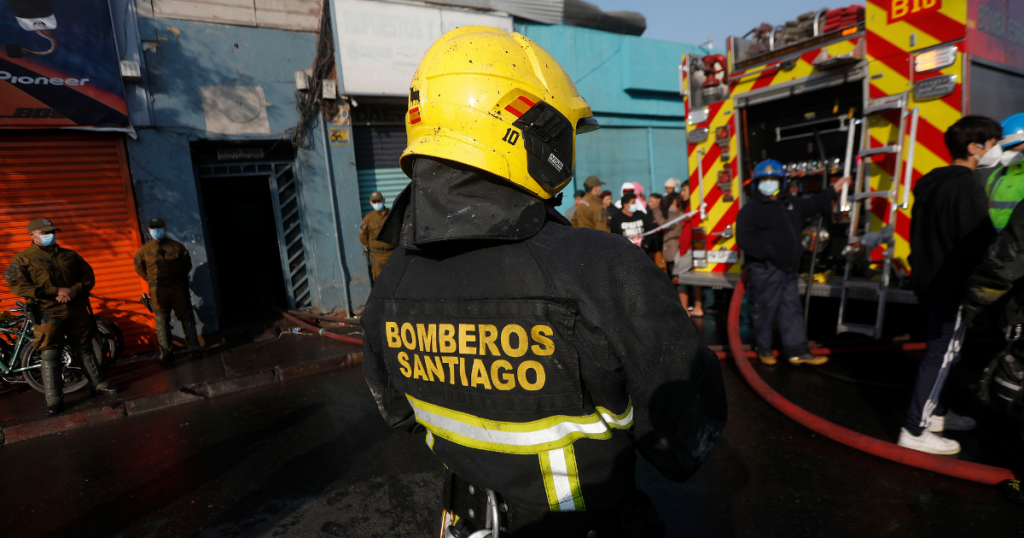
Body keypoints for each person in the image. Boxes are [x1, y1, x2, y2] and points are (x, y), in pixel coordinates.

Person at [360, 26, 726, 538]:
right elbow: (685, 435)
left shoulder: (388, 284)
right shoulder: (601, 267)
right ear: (527, 129)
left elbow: (398, 414)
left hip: (463, 522)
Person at [899, 116, 1002, 455]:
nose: (996, 150)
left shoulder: (932, 184)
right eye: (994, 143)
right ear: (976, 148)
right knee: (942, 355)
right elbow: (979, 243)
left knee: (945, 353)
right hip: (951, 286)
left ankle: (938, 413)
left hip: (928, 281)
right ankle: (915, 430)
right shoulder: (968, 187)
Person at [736, 159, 850, 367]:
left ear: (781, 182)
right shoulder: (751, 210)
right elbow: (744, 239)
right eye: (765, 180)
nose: (769, 183)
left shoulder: (789, 203)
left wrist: (834, 189)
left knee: (792, 310)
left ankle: (797, 351)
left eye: (774, 179)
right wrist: (770, 253)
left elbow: (813, 204)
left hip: (788, 268)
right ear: (757, 183)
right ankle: (765, 349)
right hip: (766, 269)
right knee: (765, 310)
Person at [4, 218, 117, 415]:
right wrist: (54, 291)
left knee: (84, 347)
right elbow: (17, 284)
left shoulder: (70, 255)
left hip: (75, 308)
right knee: (50, 353)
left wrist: (74, 290)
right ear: (31, 235)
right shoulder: (22, 259)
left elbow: (88, 276)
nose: (50, 235)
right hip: (47, 311)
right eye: (44, 232)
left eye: (52, 232)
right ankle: (54, 398)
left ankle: (98, 383)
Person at [134, 218, 203, 366]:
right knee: (161, 320)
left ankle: (195, 348)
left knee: (186, 316)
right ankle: (166, 353)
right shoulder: (143, 250)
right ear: (149, 230)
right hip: (158, 289)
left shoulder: (177, 246)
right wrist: (152, 280)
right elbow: (139, 268)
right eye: (153, 228)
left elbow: (187, 265)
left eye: (158, 227)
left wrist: (177, 279)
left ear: (165, 229)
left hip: (177, 287)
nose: (156, 230)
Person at [981, 113, 1024, 232]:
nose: (1007, 151)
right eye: (1004, 147)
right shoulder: (996, 176)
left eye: (1014, 145)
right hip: (999, 245)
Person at [668, 193, 704, 317]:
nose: (682, 193)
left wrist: (682, 250)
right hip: (693, 248)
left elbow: (688, 231)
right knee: (696, 278)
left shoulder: (690, 208)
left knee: (680, 277)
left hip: (686, 249)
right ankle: (698, 308)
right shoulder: (692, 206)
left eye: (684, 189)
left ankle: (684, 310)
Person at [359, 191, 395, 281]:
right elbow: (362, 235)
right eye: (374, 202)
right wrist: (370, 247)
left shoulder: (393, 214)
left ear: (383, 200)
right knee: (380, 283)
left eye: (379, 201)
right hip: (377, 257)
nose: (377, 203)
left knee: (397, 280)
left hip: (393, 254)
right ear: (371, 203)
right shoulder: (368, 219)